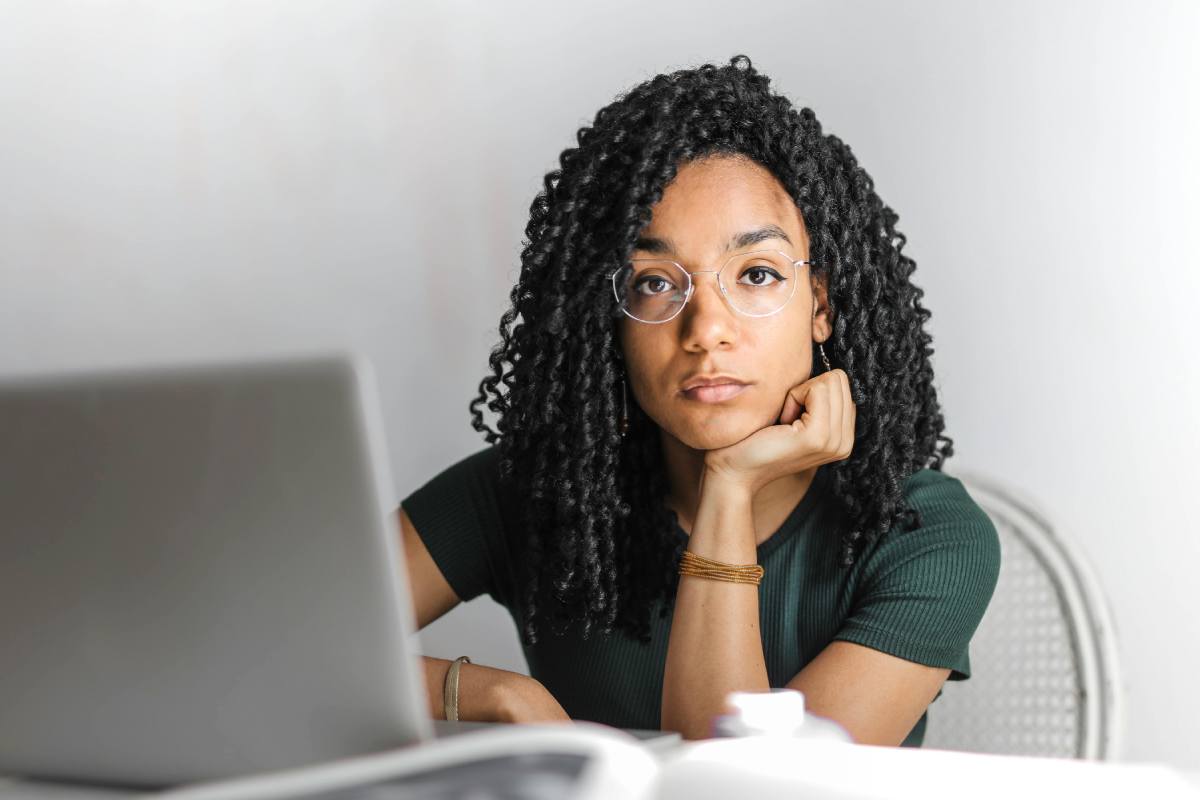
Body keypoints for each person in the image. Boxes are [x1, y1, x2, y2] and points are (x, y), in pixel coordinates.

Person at [398, 55, 1001, 747]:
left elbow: (740, 790)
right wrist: (498, 694)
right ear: (612, 320)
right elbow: (266, 646)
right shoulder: (538, 491)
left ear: (821, 306)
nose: (707, 329)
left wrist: (730, 485)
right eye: (655, 282)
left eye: (758, 273)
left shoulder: (925, 534)